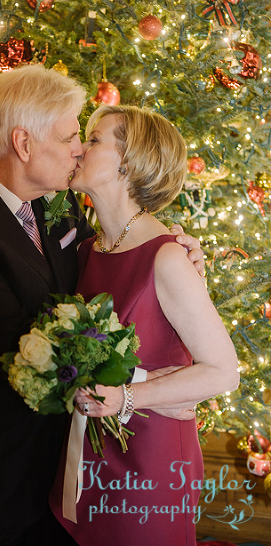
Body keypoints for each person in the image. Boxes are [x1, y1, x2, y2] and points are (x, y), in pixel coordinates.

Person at [0, 64, 204, 545]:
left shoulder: (60, 202)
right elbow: (34, 347)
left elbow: (107, 271)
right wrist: (151, 387)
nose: (78, 149)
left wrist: (175, 248)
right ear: (24, 144)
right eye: (71, 136)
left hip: (65, 476)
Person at [49, 105, 239, 546]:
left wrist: (133, 395)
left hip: (149, 461)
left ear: (129, 164)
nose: (79, 148)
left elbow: (223, 371)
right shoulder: (85, 250)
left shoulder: (168, 257)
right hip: (91, 448)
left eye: (94, 140)